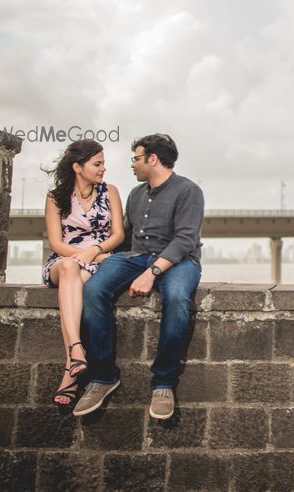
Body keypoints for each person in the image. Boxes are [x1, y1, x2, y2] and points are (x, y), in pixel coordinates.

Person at [74, 133, 204, 420]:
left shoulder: (188, 191)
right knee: (94, 290)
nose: (132, 165)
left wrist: (153, 272)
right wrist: (100, 254)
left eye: (136, 158)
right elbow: (127, 237)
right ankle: (104, 376)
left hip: (178, 261)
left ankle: (163, 382)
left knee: (178, 299)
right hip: (136, 257)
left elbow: (184, 240)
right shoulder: (137, 194)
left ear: (153, 159)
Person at [43, 139, 125, 406]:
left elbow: (118, 235)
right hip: (64, 259)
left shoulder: (109, 191)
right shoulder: (56, 198)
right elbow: (56, 243)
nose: (103, 168)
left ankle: (72, 367)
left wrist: (96, 252)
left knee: (76, 278)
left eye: (103, 163)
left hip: (98, 258)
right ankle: (76, 350)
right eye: (97, 163)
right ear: (78, 167)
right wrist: (82, 255)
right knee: (69, 268)